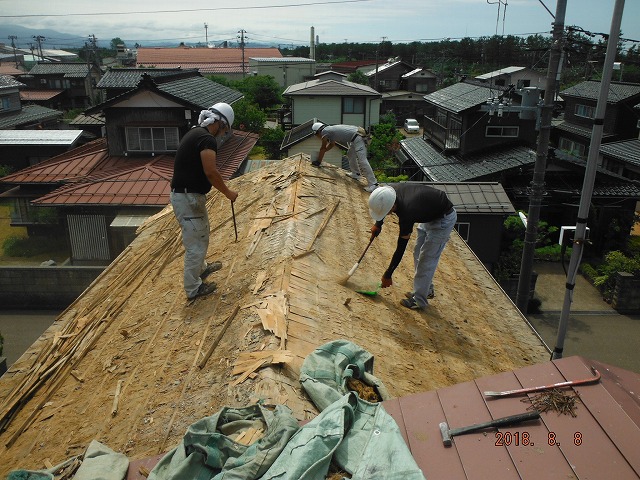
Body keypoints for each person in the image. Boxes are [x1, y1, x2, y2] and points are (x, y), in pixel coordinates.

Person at [170, 102, 238, 300]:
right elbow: (211, 171)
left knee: (200, 235)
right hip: (188, 198)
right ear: (219, 123)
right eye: (224, 129)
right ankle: (193, 288)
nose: (222, 133)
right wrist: (228, 192)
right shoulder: (207, 139)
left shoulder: (195, 133)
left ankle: (202, 268)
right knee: (196, 245)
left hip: (188, 196)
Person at [368, 184, 457, 310]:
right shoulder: (389, 191)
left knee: (427, 259)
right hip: (428, 212)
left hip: (443, 220)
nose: (386, 214)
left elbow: (401, 247)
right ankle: (426, 289)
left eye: (386, 212)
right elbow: (384, 205)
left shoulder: (407, 213)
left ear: (392, 206)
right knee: (417, 252)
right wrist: (378, 224)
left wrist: (388, 274)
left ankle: (420, 300)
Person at [311, 122, 379, 193]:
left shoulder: (324, 132)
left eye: (316, 135)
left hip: (358, 137)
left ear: (317, 132)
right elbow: (332, 144)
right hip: (355, 137)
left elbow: (322, 148)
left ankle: (373, 184)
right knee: (350, 154)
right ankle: (356, 174)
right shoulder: (329, 130)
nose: (317, 137)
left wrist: (318, 161)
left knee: (362, 160)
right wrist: (324, 151)